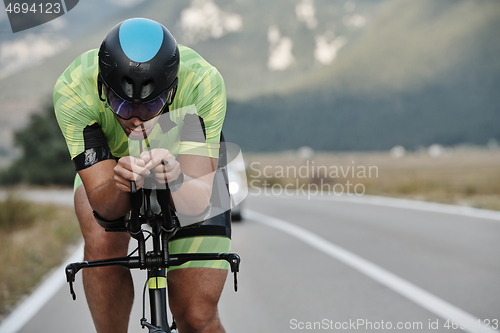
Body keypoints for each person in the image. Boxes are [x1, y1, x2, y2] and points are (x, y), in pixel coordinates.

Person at [54, 17, 231, 333]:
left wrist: (176, 178)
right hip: (111, 165)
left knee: (197, 316)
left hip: (185, 165)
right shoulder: (74, 88)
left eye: (152, 106)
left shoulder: (202, 82)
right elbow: (106, 208)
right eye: (121, 104)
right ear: (101, 89)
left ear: (172, 92)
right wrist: (120, 184)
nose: (136, 119)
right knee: (102, 244)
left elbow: (196, 203)